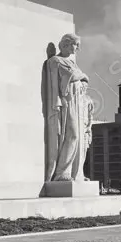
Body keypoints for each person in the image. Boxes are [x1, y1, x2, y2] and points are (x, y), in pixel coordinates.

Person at [42, 33, 93, 182]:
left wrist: (81, 77)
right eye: (75, 44)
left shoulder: (72, 63)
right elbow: (70, 77)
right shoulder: (55, 61)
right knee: (72, 134)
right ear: (65, 44)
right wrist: (82, 76)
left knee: (79, 137)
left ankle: (75, 173)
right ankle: (61, 173)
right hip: (67, 103)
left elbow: (80, 77)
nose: (77, 48)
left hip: (78, 104)